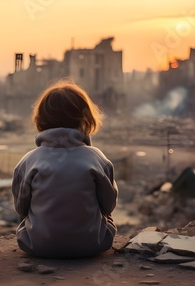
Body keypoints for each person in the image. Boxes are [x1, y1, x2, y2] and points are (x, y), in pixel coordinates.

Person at [12, 79, 118, 258]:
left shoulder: (28, 161)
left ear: (40, 120)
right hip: (93, 244)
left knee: (27, 218)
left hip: (37, 245)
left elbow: (21, 208)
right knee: (106, 219)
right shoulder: (97, 158)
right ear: (86, 120)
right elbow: (108, 205)